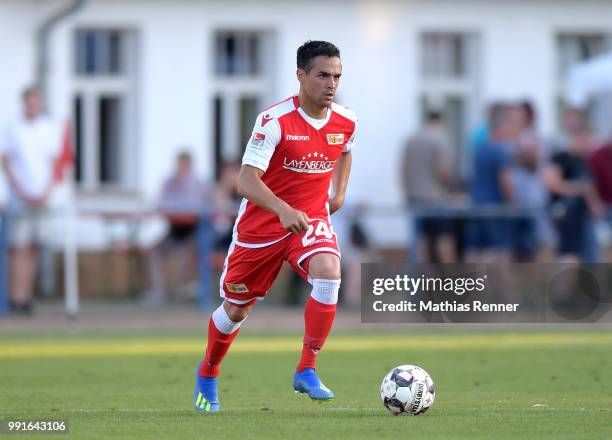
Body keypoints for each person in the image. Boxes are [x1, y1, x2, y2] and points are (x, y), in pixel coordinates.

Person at [193, 40, 357, 412]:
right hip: (262, 227)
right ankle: (208, 370)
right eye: (322, 76)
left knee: (329, 271)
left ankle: (307, 368)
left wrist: (340, 193)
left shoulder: (346, 120)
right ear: (301, 76)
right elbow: (245, 181)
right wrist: (282, 209)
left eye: (336, 76)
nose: (331, 84)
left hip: (310, 219)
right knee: (236, 309)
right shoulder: (275, 120)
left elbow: (346, 149)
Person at [0, 86, 65, 315]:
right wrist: (20, 190)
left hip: (42, 197)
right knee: (18, 247)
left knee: (34, 248)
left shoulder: (48, 127)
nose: (33, 105)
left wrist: (47, 191)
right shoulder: (13, 128)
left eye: (37, 101)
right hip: (20, 197)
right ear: (24, 103)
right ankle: (15, 296)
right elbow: (6, 162)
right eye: (29, 101)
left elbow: (54, 163)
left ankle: (27, 296)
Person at [143, 151, 210, 304]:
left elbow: (197, 208)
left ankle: (178, 294)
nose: (181, 168)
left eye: (184, 165)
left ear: (190, 166)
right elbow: (160, 203)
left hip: (192, 232)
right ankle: (158, 292)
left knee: (184, 255)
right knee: (153, 252)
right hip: (174, 231)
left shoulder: (198, 184)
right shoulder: (169, 182)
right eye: (179, 164)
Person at [400, 111, 456, 263]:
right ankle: (449, 283)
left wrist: (408, 192)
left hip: (415, 198)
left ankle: (423, 281)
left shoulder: (411, 140)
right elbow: (444, 171)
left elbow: (403, 170)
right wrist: (452, 189)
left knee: (420, 241)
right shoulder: (441, 140)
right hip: (437, 198)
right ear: (440, 121)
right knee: (444, 240)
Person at [465, 105, 517, 262]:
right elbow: (505, 179)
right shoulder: (500, 151)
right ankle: (496, 286)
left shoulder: (479, 149)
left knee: (475, 249)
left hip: (477, 204)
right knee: (498, 250)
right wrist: (512, 201)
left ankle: (474, 284)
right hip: (495, 207)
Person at [545, 127, 601, 262]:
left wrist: (593, 204)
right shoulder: (561, 158)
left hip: (580, 216)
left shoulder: (582, 161)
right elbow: (551, 182)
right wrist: (577, 189)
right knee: (568, 254)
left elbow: (588, 187)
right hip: (565, 214)